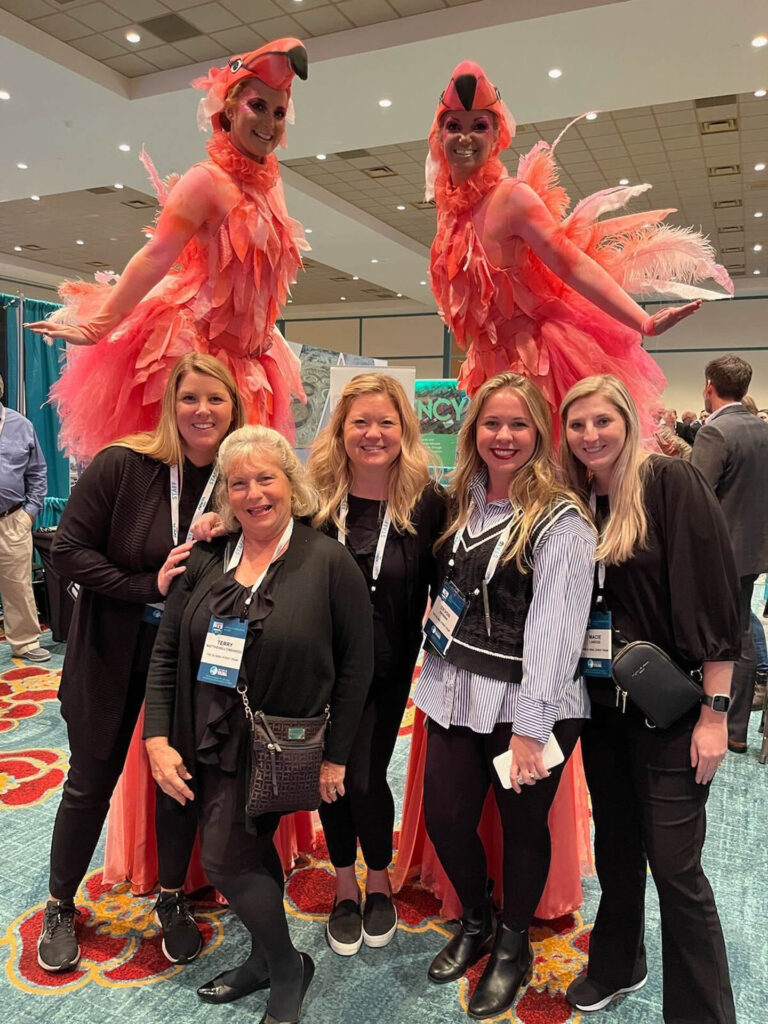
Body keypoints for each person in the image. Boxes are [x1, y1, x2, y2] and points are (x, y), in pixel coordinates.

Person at [143, 425, 373, 1023]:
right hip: (208, 737)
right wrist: (157, 735)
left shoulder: (329, 561)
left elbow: (357, 666)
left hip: (283, 746)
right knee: (238, 854)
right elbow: (167, 650)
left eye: (266, 478)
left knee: (229, 859)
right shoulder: (208, 556)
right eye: (238, 483)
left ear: (290, 484)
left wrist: (338, 756)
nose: (253, 494)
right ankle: (273, 961)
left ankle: (283, 965)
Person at [36, 353, 245, 973]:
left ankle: (174, 898)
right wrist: (142, 585)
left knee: (177, 783)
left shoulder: (242, 479)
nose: (202, 411)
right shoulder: (124, 466)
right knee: (89, 781)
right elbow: (67, 550)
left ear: (235, 407)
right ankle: (59, 903)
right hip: (111, 651)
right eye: (189, 398)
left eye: (216, 399)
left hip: (191, 662)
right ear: (169, 405)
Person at [24, 38, 309, 459]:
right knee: (175, 474)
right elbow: (155, 256)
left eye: (279, 112)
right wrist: (98, 325)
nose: (269, 122)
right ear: (229, 110)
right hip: (197, 351)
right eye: (257, 106)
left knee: (239, 484)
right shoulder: (205, 180)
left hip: (252, 363)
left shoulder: (271, 184)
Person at [416, 371, 595, 1020]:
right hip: (454, 687)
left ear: (540, 434)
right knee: (445, 816)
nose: (504, 436)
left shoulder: (561, 520)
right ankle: (478, 919)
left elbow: (555, 630)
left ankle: (512, 944)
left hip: (531, 701)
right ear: (474, 430)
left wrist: (530, 727)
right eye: (492, 423)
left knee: (523, 827)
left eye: (519, 424)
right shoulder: (460, 498)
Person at [561, 374, 740, 1023]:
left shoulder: (669, 483)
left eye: (601, 421)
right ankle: (617, 960)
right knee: (616, 845)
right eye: (577, 424)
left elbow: (720, 607)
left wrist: (716, 716)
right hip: (602, 709)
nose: (590, 435)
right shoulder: (577, 497)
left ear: (628, 420)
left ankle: (702, 1014)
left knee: (675, 867)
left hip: (671, 713)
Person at [426, 62, 732, 421]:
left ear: (496, 137)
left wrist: (642, 322)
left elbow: (571, 263)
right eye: (453, 127)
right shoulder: (449, 212)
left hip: (536, 362)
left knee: (549, 467)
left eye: (478, 126)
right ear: (439, 136)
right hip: (486, 365)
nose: (464, 138)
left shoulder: (512, 198)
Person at [306, 373, 446, 956]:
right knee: (326, 781)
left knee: (361, 777)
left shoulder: (429, 502)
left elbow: (453, 582)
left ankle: (379, 879)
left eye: (386, 421)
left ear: (404, 429)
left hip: (386, 669)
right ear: (340, 430)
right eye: (359, 421)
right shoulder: (313, 497)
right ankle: (344, 883)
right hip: (316, 668)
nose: (372, 433)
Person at [691, 354, 768, 752]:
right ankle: (736, 727)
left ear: (709, 386)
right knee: (740, 632)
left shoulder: (714, 433)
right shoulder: (760, 428)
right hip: (754, 550)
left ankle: (715, 718)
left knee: (725, 637)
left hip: (719, 553)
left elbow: (695, 494)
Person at [0, 373, 48, 663]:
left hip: (12, 519)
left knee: (18, 585)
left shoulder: (21, 425)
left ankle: (26, 641)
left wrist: (30, 513)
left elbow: (37, 472)